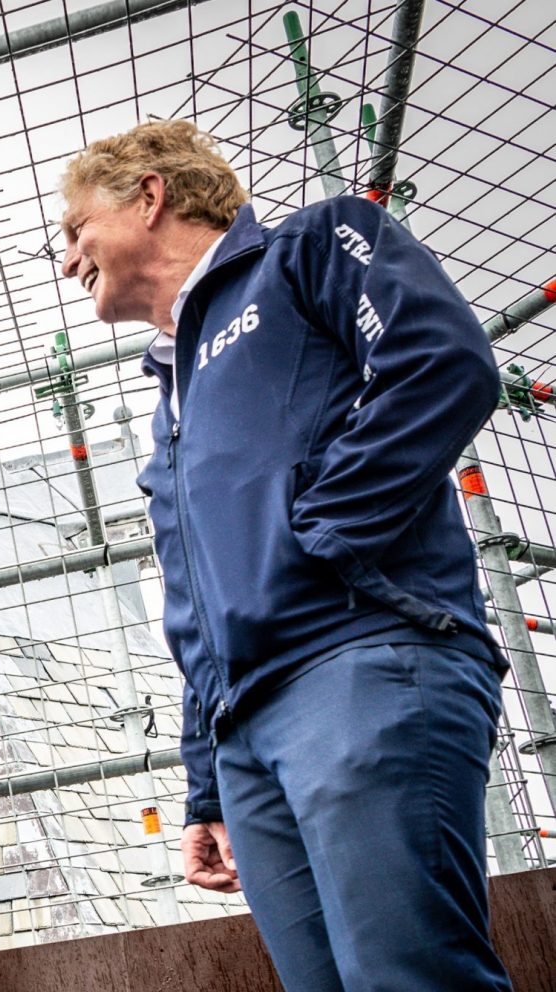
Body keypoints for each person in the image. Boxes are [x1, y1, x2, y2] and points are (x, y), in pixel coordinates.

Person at [59, 120, 511, 990]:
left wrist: (323, 534)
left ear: (149, 196)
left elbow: (441, 361)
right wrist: (206, 784)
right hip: (246, 735)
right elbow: (194, 596)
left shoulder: (311, 245)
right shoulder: (171, 397)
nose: (68, 258)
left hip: (360, 659)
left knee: (410, 975)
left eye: (76, 229)